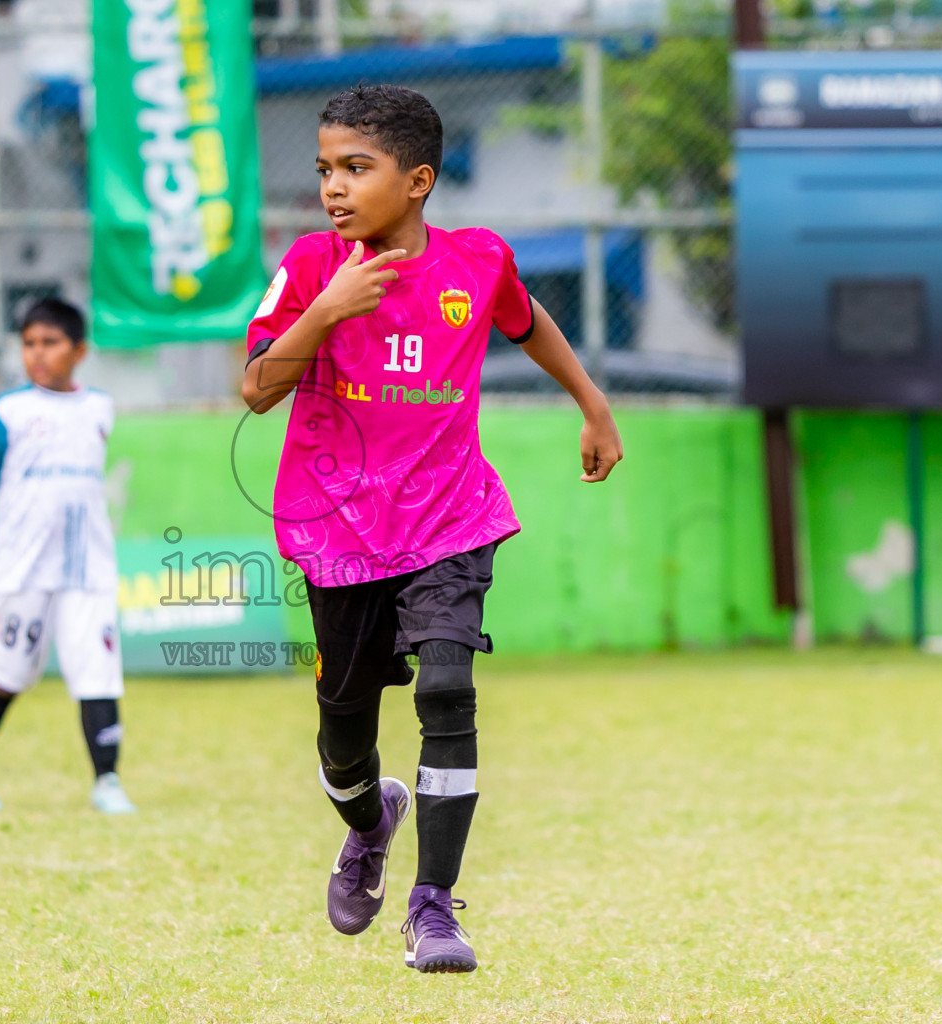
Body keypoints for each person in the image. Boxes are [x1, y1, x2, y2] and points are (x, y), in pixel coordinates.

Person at [241, 84, 624, 973]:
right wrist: (329, 307)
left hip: (451, 518)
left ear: (416, 181)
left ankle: (434, 907)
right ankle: (369, 822)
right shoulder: (308, 267)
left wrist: (592, 402)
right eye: (325, 169)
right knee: (344, 739)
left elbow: (528, 323)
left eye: (355, 169)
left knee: (447, 691)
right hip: (337, 534)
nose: (333, 187)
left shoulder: (478, 261)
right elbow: (257, 391)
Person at [0, 298, 135, 817]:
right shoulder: (6, 412)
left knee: (97, 671)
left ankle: (107, 781)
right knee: (7, 674)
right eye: (29, 343)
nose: (37, 354)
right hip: (22, 568)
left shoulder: (99, 409)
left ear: (79, 350)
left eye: (51, 343)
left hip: (88, 569)